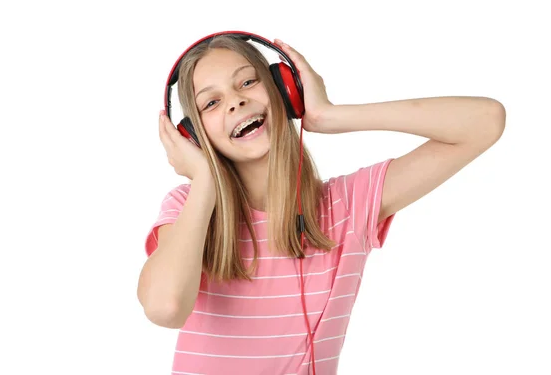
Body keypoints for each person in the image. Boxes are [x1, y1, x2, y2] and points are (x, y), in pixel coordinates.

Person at [137, 32, 506, 374]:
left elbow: (485, 121)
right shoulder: (188, 208)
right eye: (212, 102)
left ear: (284, 92)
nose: (236, 102)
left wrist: (331, 115)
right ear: (193, 136)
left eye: (247, 82)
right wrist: (204, 181)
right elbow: (165, 307)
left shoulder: (347, 205)